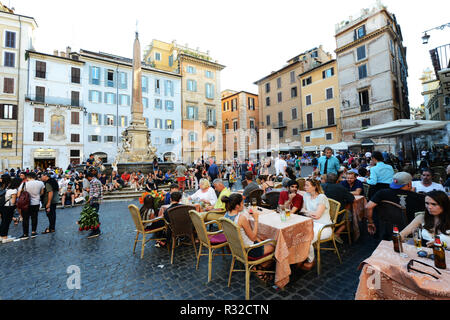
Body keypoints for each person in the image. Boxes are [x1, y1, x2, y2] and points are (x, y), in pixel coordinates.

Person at [222, 193, 275, 282]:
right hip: (249, 250)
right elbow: (253, 238)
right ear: (237, 206)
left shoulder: (225, 216)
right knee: (274, 245)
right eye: (242, 203)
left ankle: (257, 267)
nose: (243, 205)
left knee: (262, 239)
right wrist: (256, 219)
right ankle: (260, 269)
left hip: (237, 249)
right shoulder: (241, 218)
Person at [365, 172, 426, 237]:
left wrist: (370, 222)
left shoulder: (382, 193)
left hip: (387, 227)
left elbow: (368, 207)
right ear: (409, 184)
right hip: (410, 229)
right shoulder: (418, 197)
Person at [298, 178, 332, 271]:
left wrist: (307, 212)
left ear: (315, 187)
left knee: (307, 238)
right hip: (310, 223)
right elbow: (302, 210)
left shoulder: (322, 197)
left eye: (307, 185)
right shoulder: (306, 195)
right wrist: (311, 213)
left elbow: (317, 216)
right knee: (296, 234)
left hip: (324, 226)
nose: (305, 187)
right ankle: (300, 257)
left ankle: (310, 260)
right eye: (305, 185)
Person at [17, 172, 45, 239]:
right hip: (36, 203)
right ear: (35, 177)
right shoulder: (41, 183)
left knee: (25, 219)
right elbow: (42, 193)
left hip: (26, 204)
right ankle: (33, 232)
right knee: (34, 217)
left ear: (28, 177)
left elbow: (18, 195)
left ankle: (25, 234)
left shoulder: (24, 184)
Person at [0, 177, 21, 243]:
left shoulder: (8, 188)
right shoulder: (14, 190)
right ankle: (4, 237)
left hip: (3, 207)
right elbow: (13, 201)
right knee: (7, 222)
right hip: (9, 208)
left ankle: (1, 236)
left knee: (3, 222)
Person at [86, 171, 103, 238]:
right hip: (93, 201)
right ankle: (94, 229)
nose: (87, 180)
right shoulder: (94, 181)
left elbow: (97, 192)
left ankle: (96, 231)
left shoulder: (95, 182)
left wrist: (90, 198)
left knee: (94, 215)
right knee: (93, 215)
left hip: (95, 201)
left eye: (87, 178)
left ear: (90, 177)